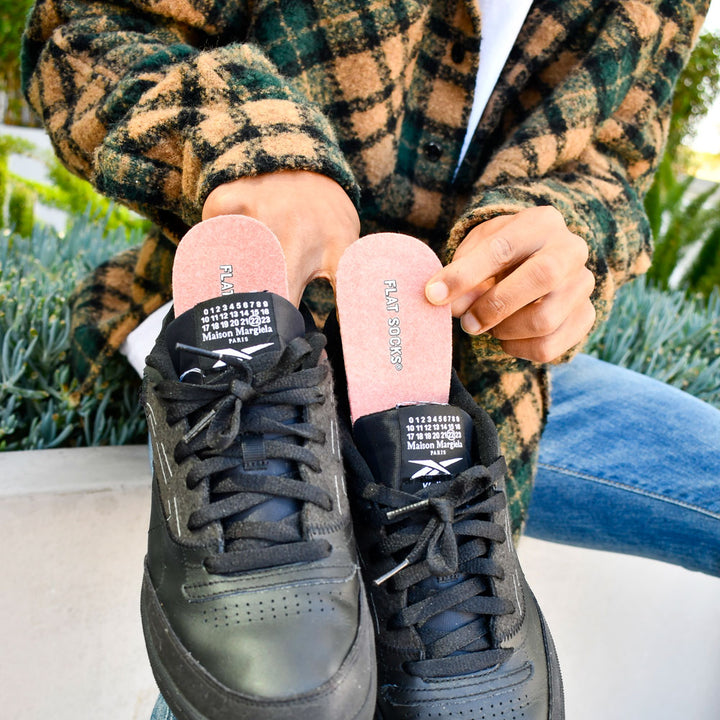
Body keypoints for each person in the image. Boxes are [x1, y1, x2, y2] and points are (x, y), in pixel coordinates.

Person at [22, 0, 719, 718]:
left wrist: (574, 241)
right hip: (256, 362)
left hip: (475, 368)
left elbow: (612, 159)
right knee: (274, 688)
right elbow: (81, 33)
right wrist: (250, 137)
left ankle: (415, 487)